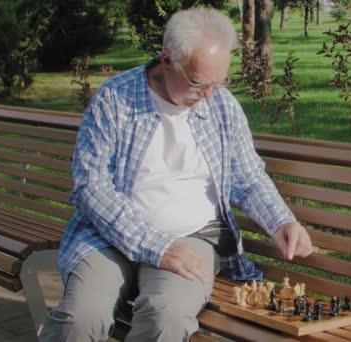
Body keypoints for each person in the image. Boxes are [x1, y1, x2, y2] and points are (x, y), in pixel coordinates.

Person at [39, 7, 314, 342]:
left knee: (164, 317)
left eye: (220, 82)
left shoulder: (222, 106)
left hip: (192, 237)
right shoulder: (115, 99)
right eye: (199, 83)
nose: (210, 96)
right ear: (167, 60)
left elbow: (248, 177)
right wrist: (155, 246)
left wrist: (281, 221)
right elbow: (91, 187)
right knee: (80, 318)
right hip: (108, 236)